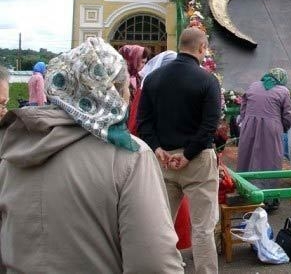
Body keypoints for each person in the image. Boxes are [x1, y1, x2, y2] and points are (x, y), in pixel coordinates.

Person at [0, 37, 183, 273]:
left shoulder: (12, 148)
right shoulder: (130, 155)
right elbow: (153, 263)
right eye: (126, 88)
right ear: (110, 94)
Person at [137, 28, 221, 274]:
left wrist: (157, 148)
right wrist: (188, 154)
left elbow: (144, 121)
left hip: (163, 161)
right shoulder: (207, 80)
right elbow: (209, 125)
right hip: (198, 162)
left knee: (160, 225)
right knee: (203, 228)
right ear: (202, 48)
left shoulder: (153, 79)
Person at [236, 67, 291, 211]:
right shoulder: (283, 91)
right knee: (270, 160)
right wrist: (282, 127)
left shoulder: (253, 85)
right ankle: (268, 197)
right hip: (271, 127)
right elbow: (289, 115)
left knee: (247, 156)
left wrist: (245, 121)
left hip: (250, 125)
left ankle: (246, 192)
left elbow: (243, 109)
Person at [118, 44, 149, 134]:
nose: (144, 66)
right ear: (132, 60)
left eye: (145, 62)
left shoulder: (139, 77)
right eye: (142, 62)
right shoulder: (119, 79)